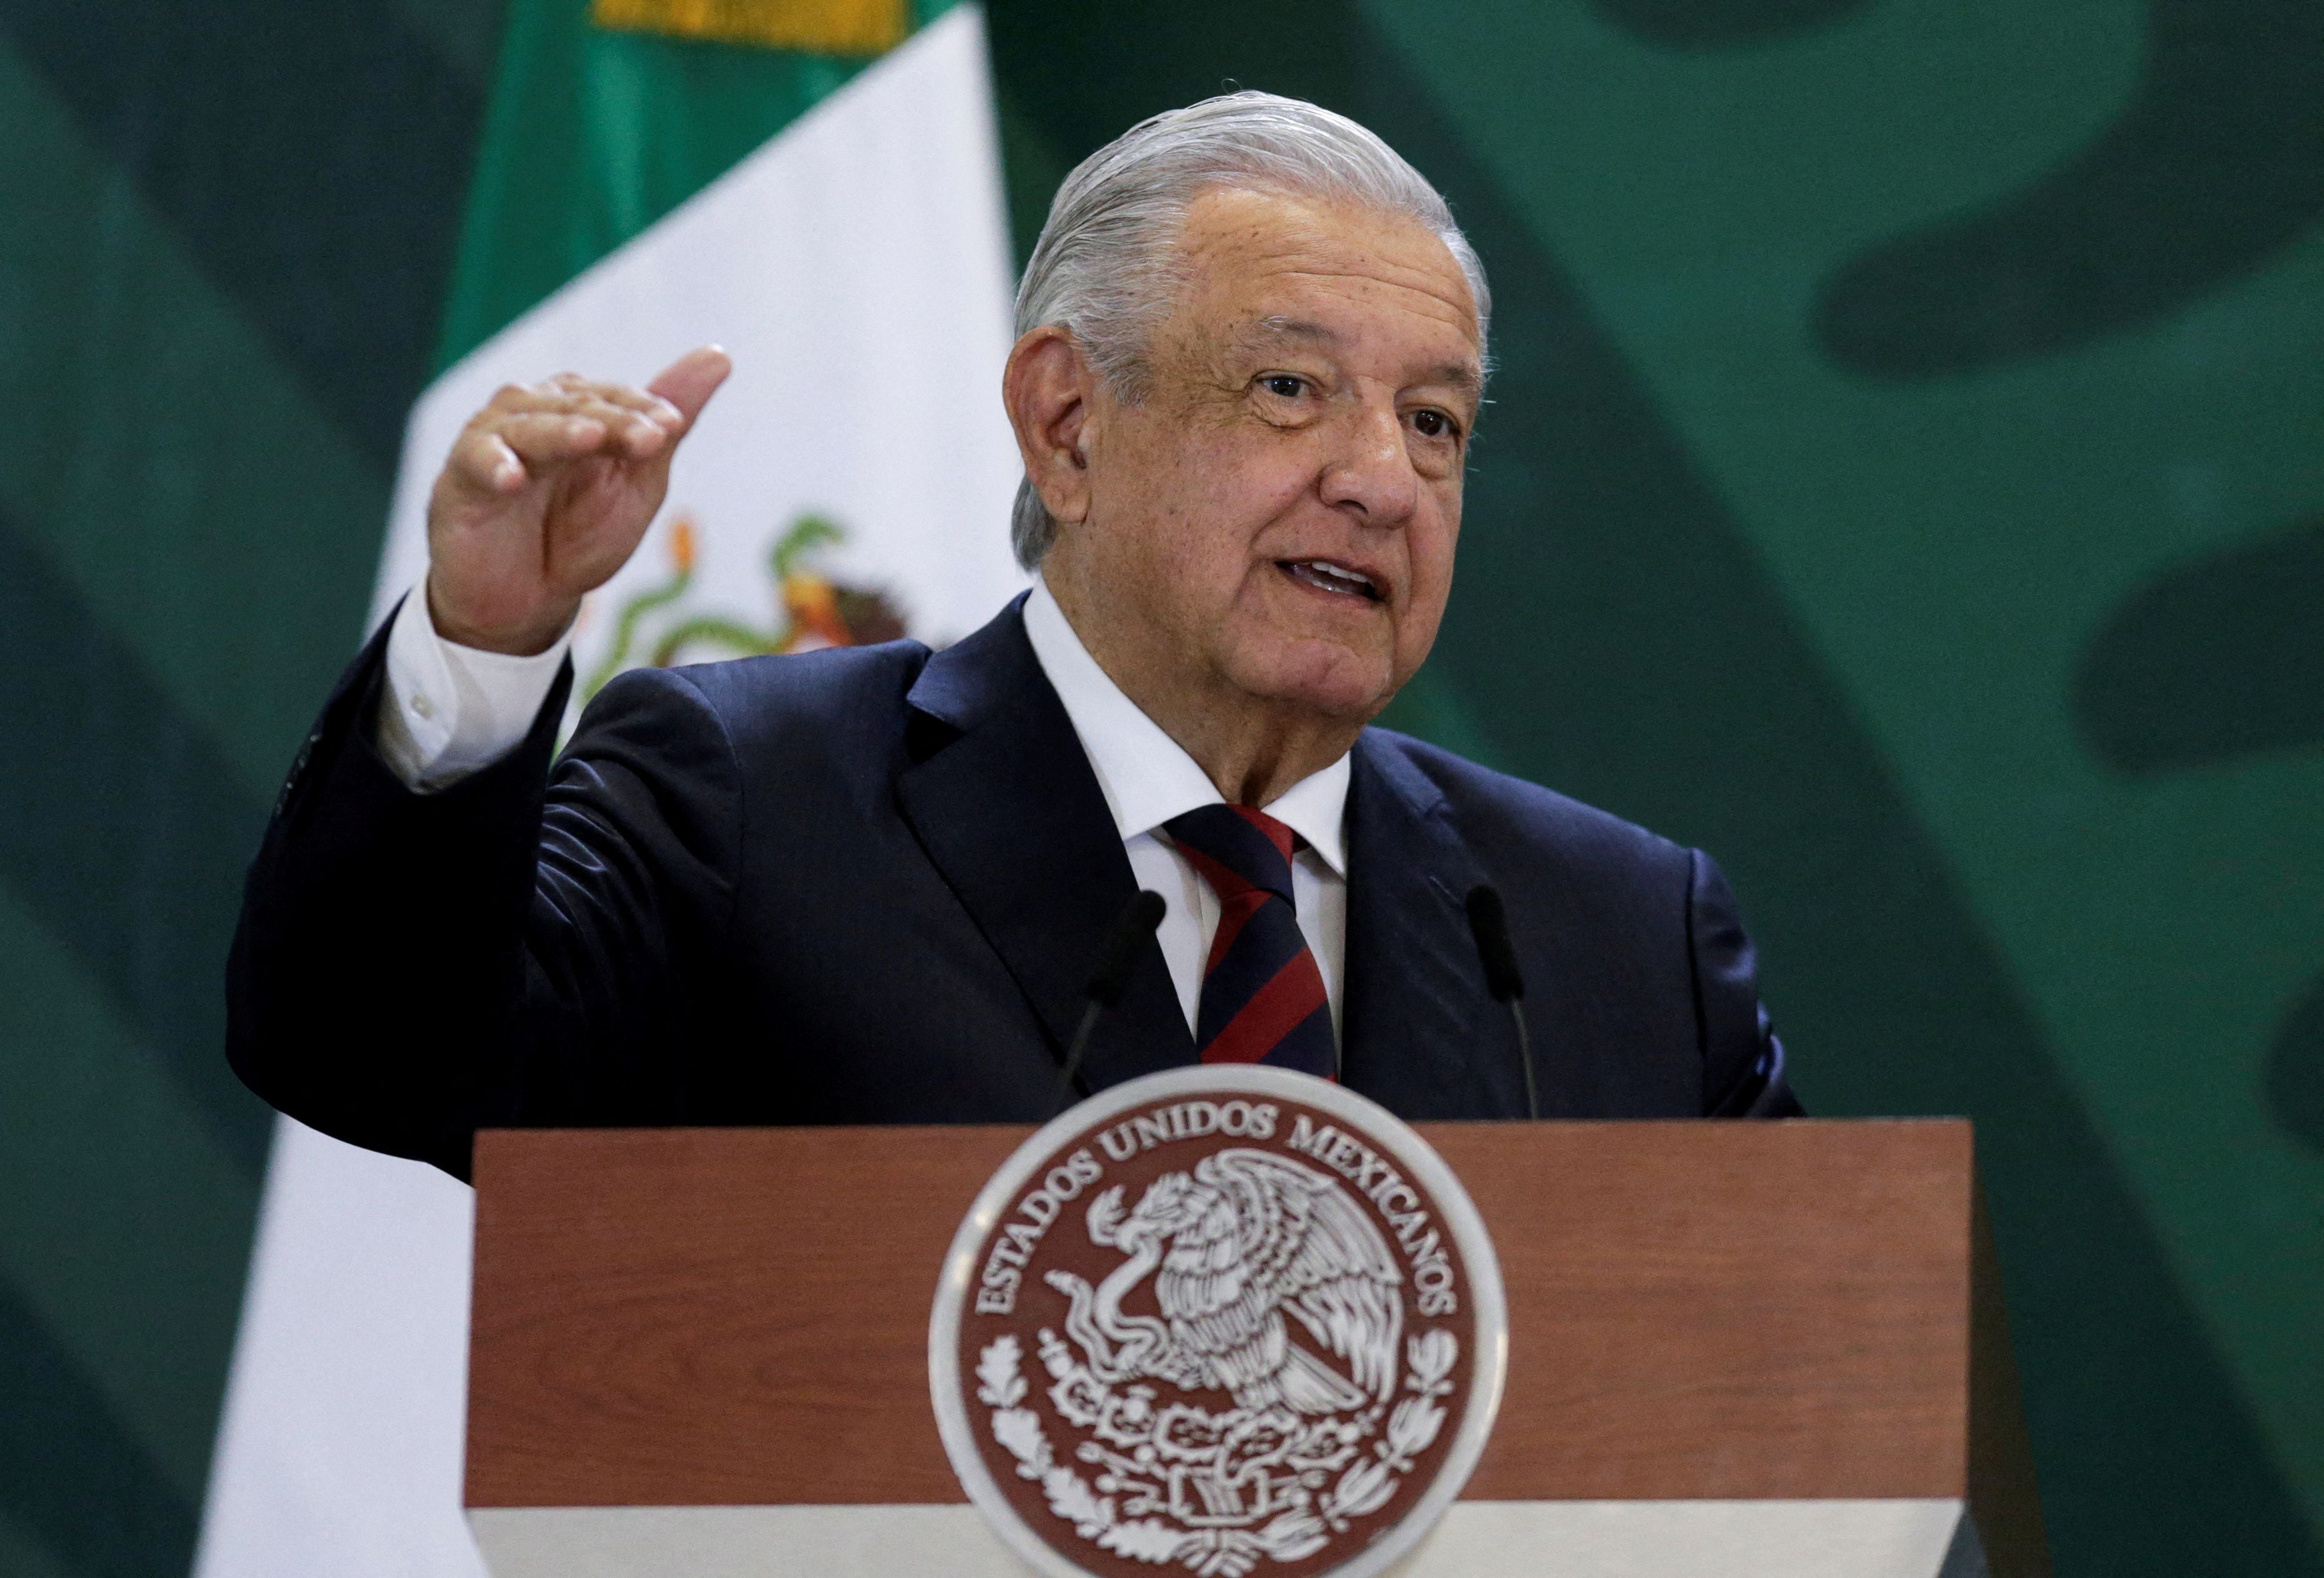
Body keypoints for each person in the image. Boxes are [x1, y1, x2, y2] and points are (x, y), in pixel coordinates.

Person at [227, 92, 1797, 1180]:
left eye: (1437, 420)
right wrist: (484, 651)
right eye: (1290, 389)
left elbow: (1832, 1415)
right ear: (1065, 423)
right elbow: (372, 1048)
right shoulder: (754, 805)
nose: (1383, 480)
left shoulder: (1611, 937)